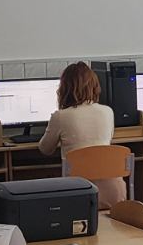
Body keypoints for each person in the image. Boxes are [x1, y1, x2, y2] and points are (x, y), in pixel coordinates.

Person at [38, 61, 122, 208]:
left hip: (78, 191)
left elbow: (45, 149)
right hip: (113, 191)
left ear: (64, 88)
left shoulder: (61, 116)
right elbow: (105, 142)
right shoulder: (108, 112)